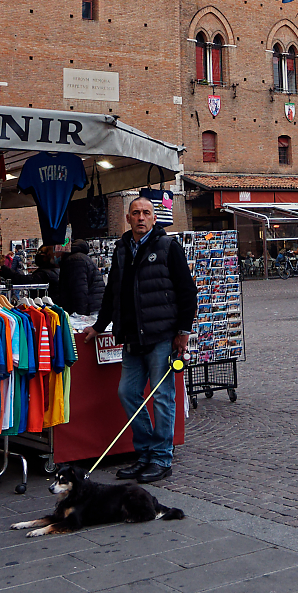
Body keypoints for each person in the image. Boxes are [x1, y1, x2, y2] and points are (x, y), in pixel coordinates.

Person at [88, 196, 198, 484]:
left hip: (161, 335)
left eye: (146, 213)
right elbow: (113, 290)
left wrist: (183, 331)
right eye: (135, 213)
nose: (140, 217)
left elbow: (187, 291)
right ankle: (146, 451)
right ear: (128, 218)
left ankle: (161, 457)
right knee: (127, 393)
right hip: (130, 336)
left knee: (162, 397)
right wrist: (100, 325)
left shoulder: (167, 247)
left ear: (154, 218)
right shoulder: (122, 249)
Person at [58, 238, 106, 315]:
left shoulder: (74, 261)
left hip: (88, 310)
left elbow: (79, 290)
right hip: (93, 306)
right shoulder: (81, 258)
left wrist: (79, 316)